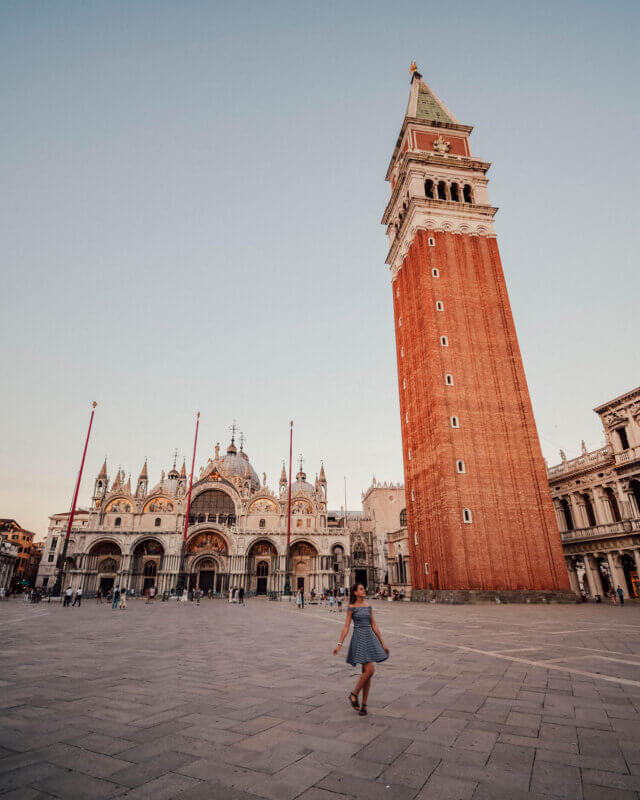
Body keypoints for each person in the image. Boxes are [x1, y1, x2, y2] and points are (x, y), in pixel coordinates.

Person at [333, 583, 389, 717]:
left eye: (364, 588)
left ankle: (364, 705)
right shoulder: (351, 607)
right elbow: (346, 626)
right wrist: (340, 644)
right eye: (361, 589)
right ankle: (354, 694)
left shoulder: (368, 606)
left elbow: (374, 625)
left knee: (367, 673)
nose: (364, 590)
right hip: (359, 638)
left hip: (369, 637)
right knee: (370, 670)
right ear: (355, 593)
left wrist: (383, 643)